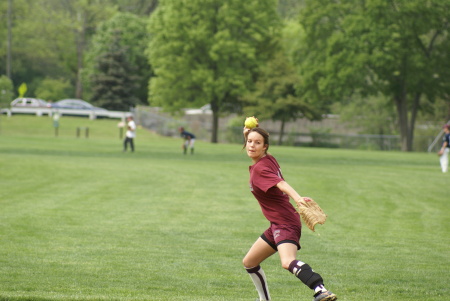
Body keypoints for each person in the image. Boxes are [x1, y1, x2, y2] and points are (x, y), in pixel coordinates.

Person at [242, 126, 337, 301]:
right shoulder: (268, 159)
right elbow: (254, 143)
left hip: (284, 223)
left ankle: (321, 290)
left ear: (265, 146)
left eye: (257, 143)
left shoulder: (260, 169)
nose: (252, 146)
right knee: (250, 262)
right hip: (277, 223)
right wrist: (248, 132)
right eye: (249, 142)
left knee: (287, 262)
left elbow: (281, 184)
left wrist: (297, 198)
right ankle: (265, 300)